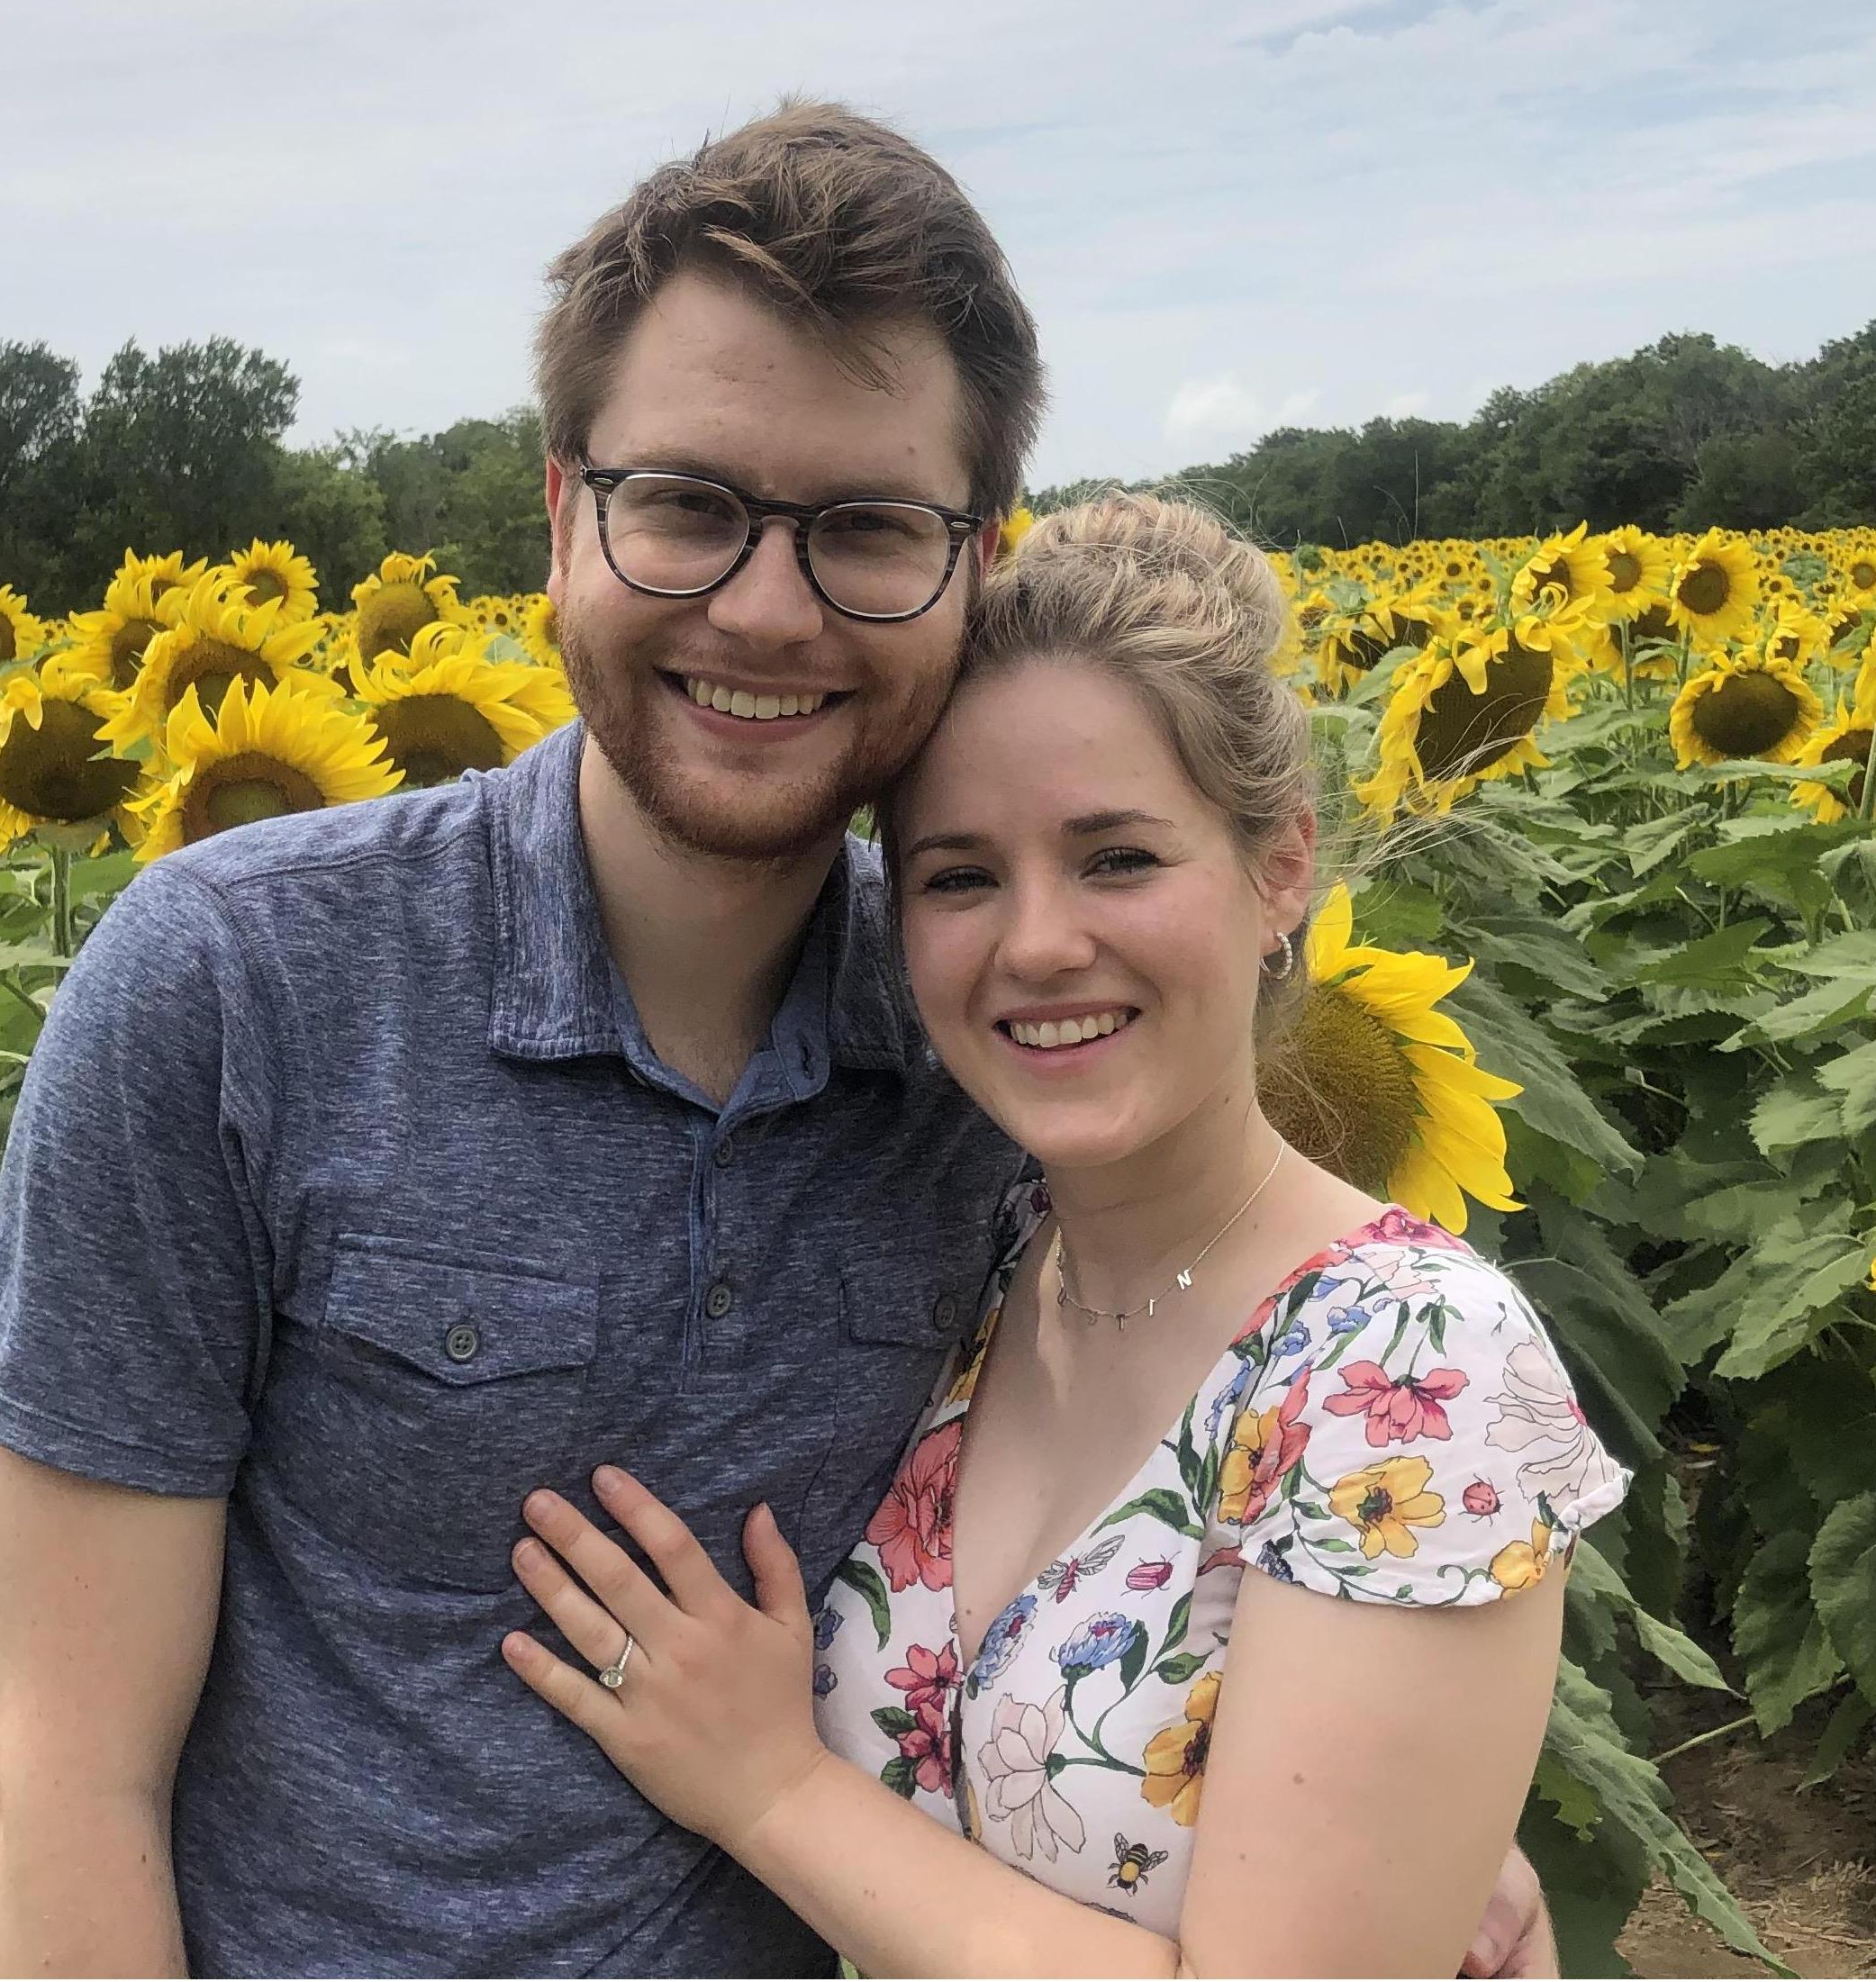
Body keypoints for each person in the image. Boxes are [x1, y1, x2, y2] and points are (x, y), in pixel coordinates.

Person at [0, 104, 1561, 1975]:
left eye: (866, 525)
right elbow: (64, 1777)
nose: (764, 606)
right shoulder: (231, 988)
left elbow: (1228, 1475)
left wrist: (1389, 1811)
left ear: (972, 560)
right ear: (563, 513)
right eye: (689, 504)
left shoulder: (1002, 1054)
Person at [497, 493, 1627, 1975]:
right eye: (959, 875)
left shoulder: (1414, 1362)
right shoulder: (980, 1247)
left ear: (1279, 866)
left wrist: (770, 1788)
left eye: (1116, 858)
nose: (1035, 942)